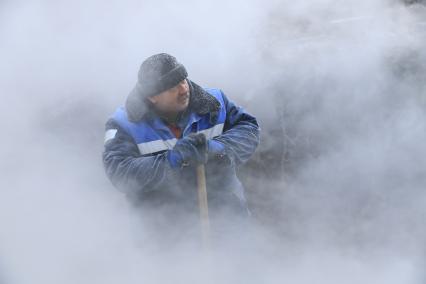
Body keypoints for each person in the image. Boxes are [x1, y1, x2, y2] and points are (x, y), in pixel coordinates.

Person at [102, 53, 260, 245]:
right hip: (163, 234)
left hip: (228, 221)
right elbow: (120, 172)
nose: (183, 88)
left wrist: (219, 147)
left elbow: (249, 129)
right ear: (152, 97)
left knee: (236, 271)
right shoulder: (124, 124)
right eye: (172, 86)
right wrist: (171, 161)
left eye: (183, 79)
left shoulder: (215, 103)